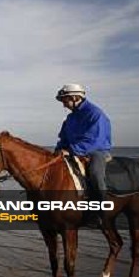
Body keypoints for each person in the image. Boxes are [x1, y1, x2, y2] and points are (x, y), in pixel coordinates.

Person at [54, 83, 112, 219]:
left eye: (65, 100)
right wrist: (58, 150)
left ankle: (101, 212)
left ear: (75, 97)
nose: (64, 104)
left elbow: (95, 140)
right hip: (73, 151)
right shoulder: (70, 118)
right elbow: (63, 138)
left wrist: (72, 150)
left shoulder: (95, 114)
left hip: (96, 151)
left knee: (95, 174)